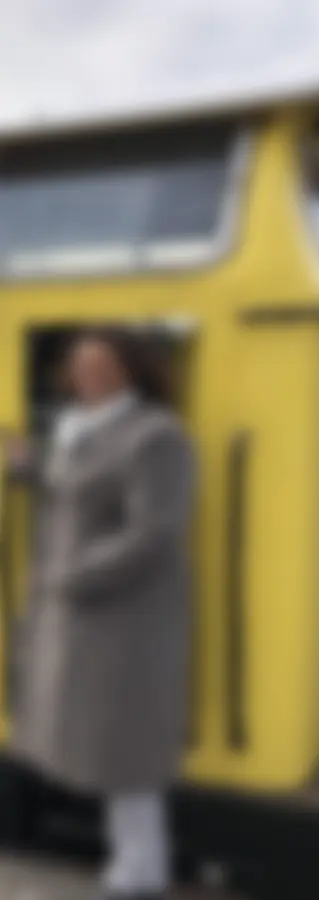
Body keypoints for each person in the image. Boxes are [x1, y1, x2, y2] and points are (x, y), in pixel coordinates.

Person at [1, 329, 194, 900]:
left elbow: (154, 531)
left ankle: (140, 871)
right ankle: (131, 865)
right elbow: (75, 494)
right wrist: (30, 469)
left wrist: (68, 575)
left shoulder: (155, 435)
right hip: (85, 618)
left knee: (126, 747)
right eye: (82, 367)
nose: (90, 377)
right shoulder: (79, 432)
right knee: (105, 745)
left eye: (103, 366)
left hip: (123, 618)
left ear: (132, 371)